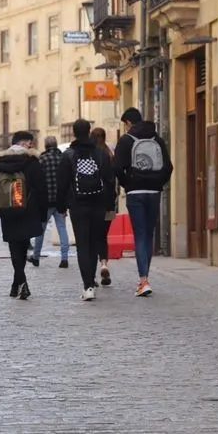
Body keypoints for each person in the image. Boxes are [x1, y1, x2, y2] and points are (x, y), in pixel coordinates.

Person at [113, 107, 173, 297]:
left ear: (129, 123)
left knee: (139, 235)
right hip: (154, 192)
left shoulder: (125, 141)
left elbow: (116, 168)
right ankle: (145, 278)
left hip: (135, 193)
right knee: (148, 234)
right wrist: (157, 183)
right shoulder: (157, 139)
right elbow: (168, 167)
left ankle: (143, 280)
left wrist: (127, 184)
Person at [56, 119, 115, 301]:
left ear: (74, 133)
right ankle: (92, 279)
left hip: (78, 204)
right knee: (95, 242)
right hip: (98, 203)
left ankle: (88, 285)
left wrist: (61, 206)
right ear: (89, 131)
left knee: (83, 244)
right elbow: (110, 180)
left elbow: (62, 183)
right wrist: (109, 205)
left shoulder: (68, 155)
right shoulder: (100, 153)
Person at [0, 131, 47, 300]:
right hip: (28, 210)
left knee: (14, 246)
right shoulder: (32, 162)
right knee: (23, 246)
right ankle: (22, 282)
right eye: (30, 142)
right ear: (24, 143)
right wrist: (43, 213)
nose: (31, 145)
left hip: (7, 210)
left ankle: (16, 283)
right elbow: (41, 188)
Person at [31, 136, 70, 268]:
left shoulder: (41, 159)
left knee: (40, 230)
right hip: (60, 200)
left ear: (45, 146)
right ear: (56, 144)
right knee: (62, 229)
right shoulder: (63, 158)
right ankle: (64, 258)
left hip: (45, 201)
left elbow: (37, 181)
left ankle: (36, 257)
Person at [91, 127, 117, 286]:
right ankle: (104, 264)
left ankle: (92, 273)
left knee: (92, 238)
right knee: (103, 236)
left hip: (92, 201)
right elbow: (112, 180)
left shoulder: (90, 155)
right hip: (109, 203)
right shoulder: (110, 154)